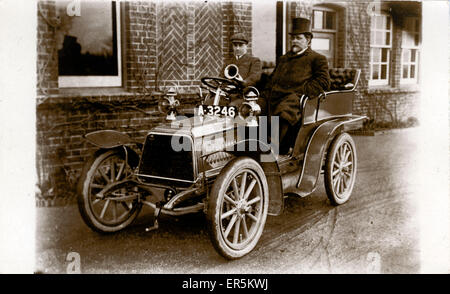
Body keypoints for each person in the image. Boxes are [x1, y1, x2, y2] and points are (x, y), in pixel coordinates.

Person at [261, 17, 330, 154]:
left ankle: (272, 152)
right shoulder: (284, 58)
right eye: (293, 38)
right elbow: (272, 80)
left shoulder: (317, 59)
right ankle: (249, 149)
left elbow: (323, 82)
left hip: (295, 99)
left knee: (284, 110)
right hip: (275, 97)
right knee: (251, 108)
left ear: (308, 40)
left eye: (298, 38)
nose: (294, 41)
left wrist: (300, 92)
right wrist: (261, 96)